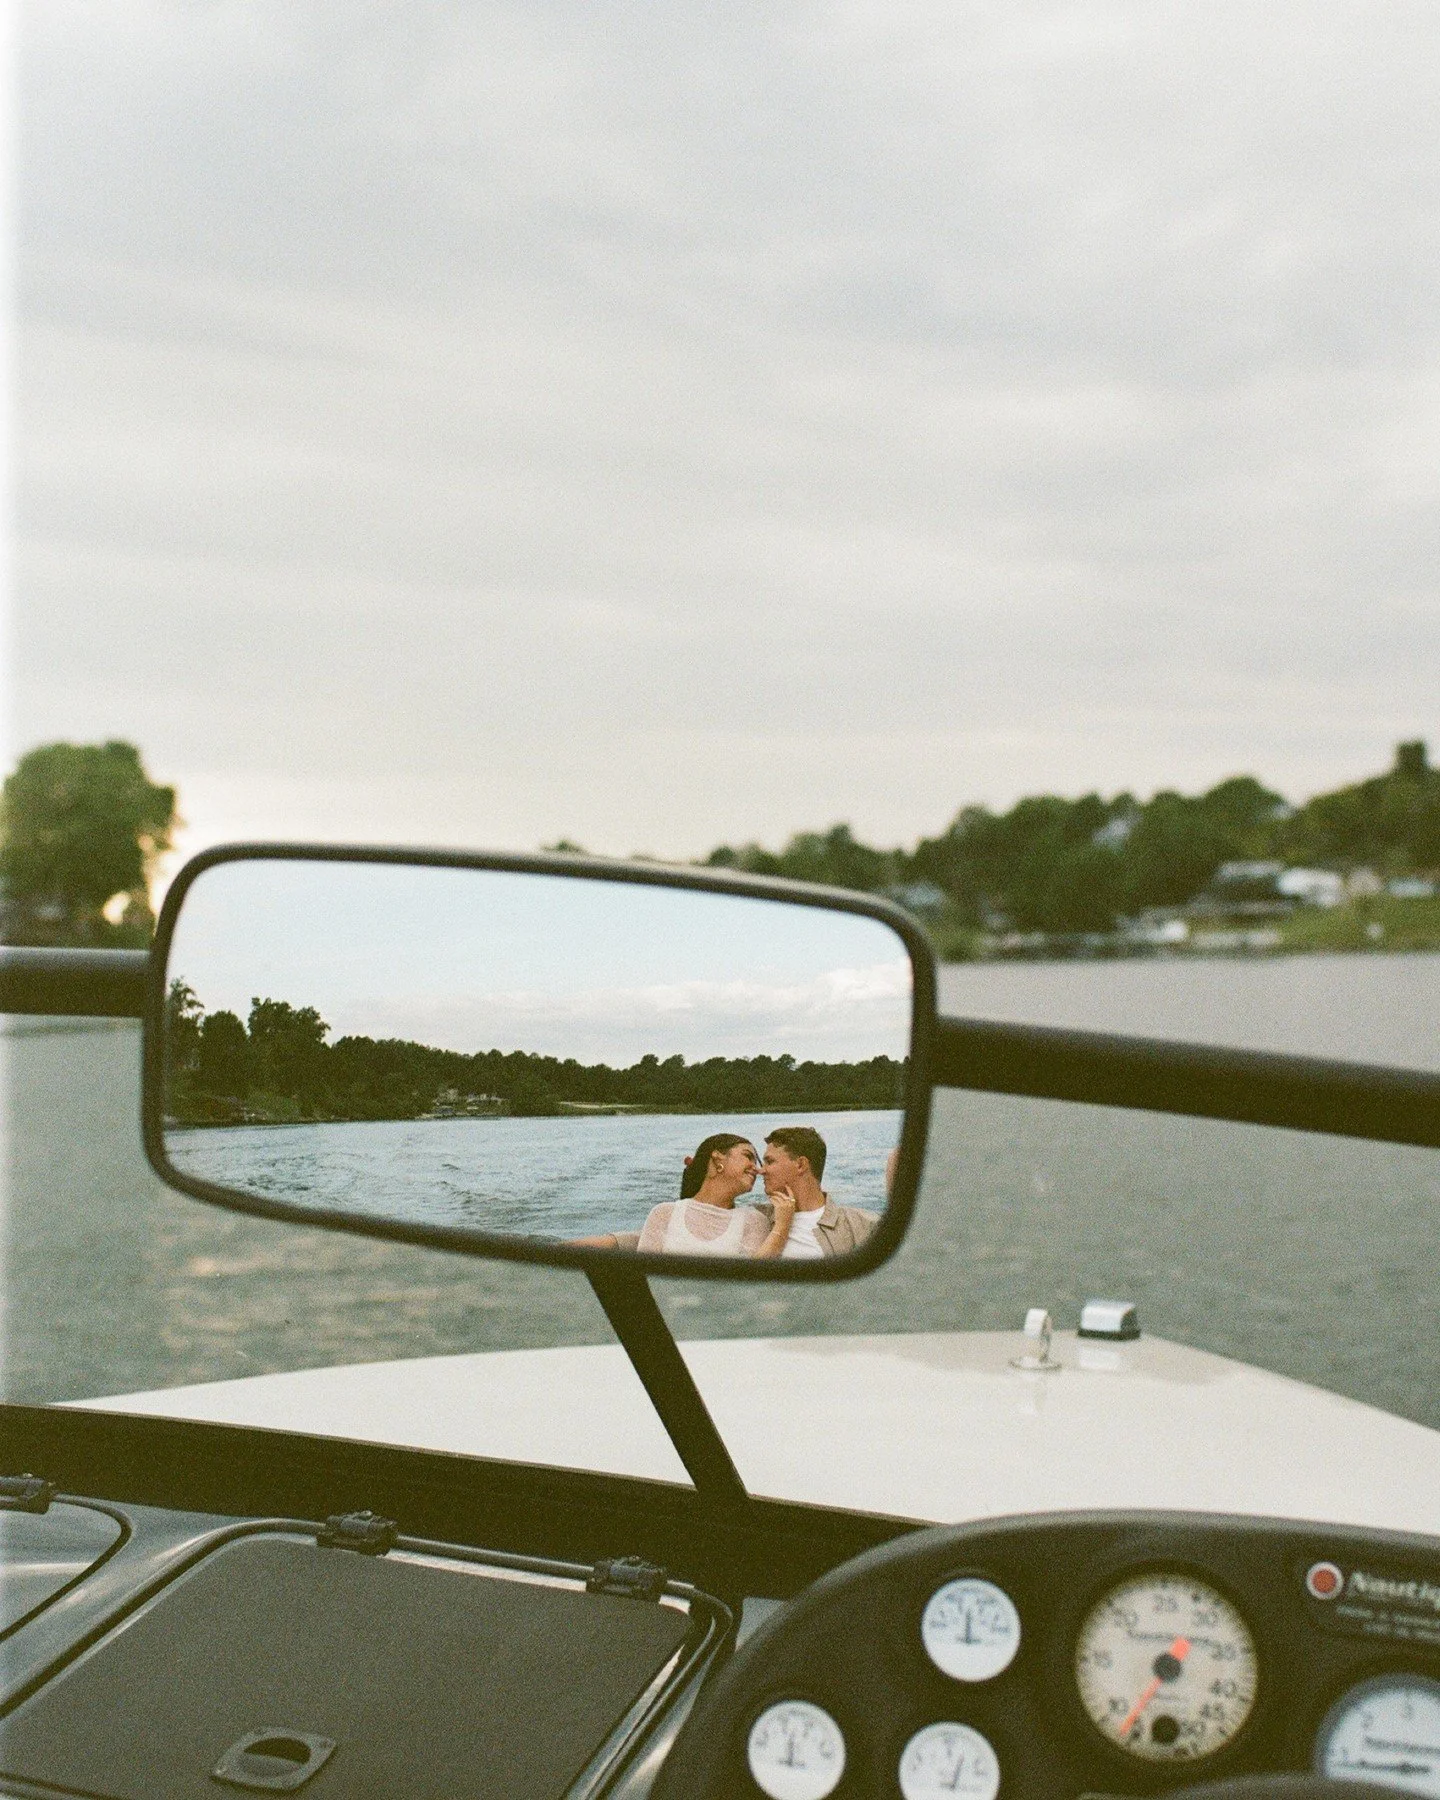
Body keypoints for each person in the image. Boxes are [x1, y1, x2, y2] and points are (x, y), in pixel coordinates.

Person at [628, 1132, 780, 1257]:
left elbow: (751, 1280)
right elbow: (644, 1273)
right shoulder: (664, 1213)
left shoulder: (754, 1220)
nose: (757, 1169)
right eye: (748, 1156)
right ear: (717, 1158)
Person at [752, 1125, 880, 1259]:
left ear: (801, 1165)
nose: (761, 1170)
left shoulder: (864, 1225)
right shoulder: (755, 1219)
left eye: (770, 1162)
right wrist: (780, 1227)